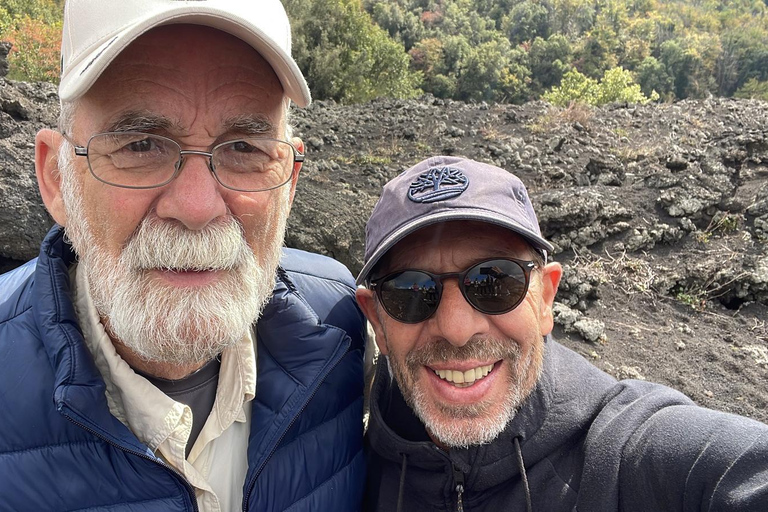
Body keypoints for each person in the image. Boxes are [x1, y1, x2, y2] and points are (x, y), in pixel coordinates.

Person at [0, 1, 365, 511]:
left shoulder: (343, 327)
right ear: (57, 179)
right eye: (142, 144)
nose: (196, 207)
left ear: (290, 182)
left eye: (243, 148)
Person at [355, 156, 768, 511]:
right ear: (377, 321)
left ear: (546, 299)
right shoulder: (348, 458)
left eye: (495, 281)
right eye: (411, 291)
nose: (458, 330)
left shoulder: (628, 453)